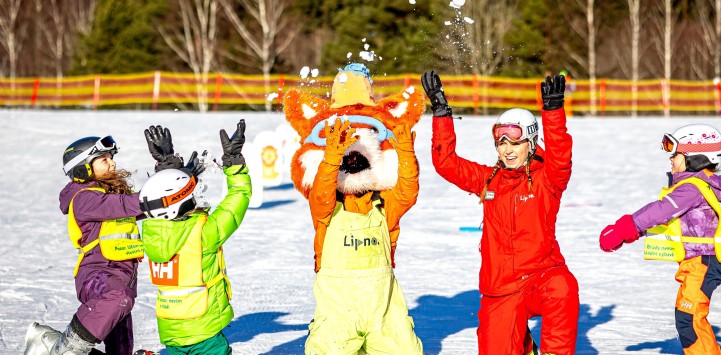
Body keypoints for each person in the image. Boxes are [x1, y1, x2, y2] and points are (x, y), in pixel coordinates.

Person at [423, 71, 579, 355]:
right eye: (501, 143)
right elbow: (446, 164)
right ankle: (522, 344)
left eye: (514, 142)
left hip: (540, 276)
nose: (506, 150)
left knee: (563, 288)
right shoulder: (489, 180)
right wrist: (441, 113)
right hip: (501, 288)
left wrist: (553, 113)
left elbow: (560, 157)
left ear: (531, 143)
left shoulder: (548, 180)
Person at [282, 63, 424, 354]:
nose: (353, 164)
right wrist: (333, 155)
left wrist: (405, 151)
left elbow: (408, 190)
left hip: (384, 308)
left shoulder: (384, 207)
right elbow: (321, 190)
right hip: (338, 309)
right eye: (347, 161)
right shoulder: (327, 209)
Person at [599, 123, 721, 355]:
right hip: (698, 263)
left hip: (704, 262)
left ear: (696, 157)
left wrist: (623, 230)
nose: (670, 158)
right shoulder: (695, 185)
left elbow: (660, 211)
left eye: (676, 153)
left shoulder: (691, 189)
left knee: (689, 318)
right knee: (686, 315)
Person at [24, 135, 146, 355]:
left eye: (111, 157)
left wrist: (176, 176)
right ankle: (65, 350)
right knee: (118, 298)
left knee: (121, 348)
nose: (113, 163)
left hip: (121, 277)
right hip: (98, 276)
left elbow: (148, 207)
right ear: (83, 169)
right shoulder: (85, 199)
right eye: (104, 159)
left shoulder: (108, 196)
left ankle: (45, 340)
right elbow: (130, 204)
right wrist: (165, 193)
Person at [138, 120, 251, 354]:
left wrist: (167, 164)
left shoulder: (151, 231)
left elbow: (164, 195)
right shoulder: (203, 233)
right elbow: (238, 197)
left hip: (171, 331)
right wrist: (234, 161)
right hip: (206, 331)